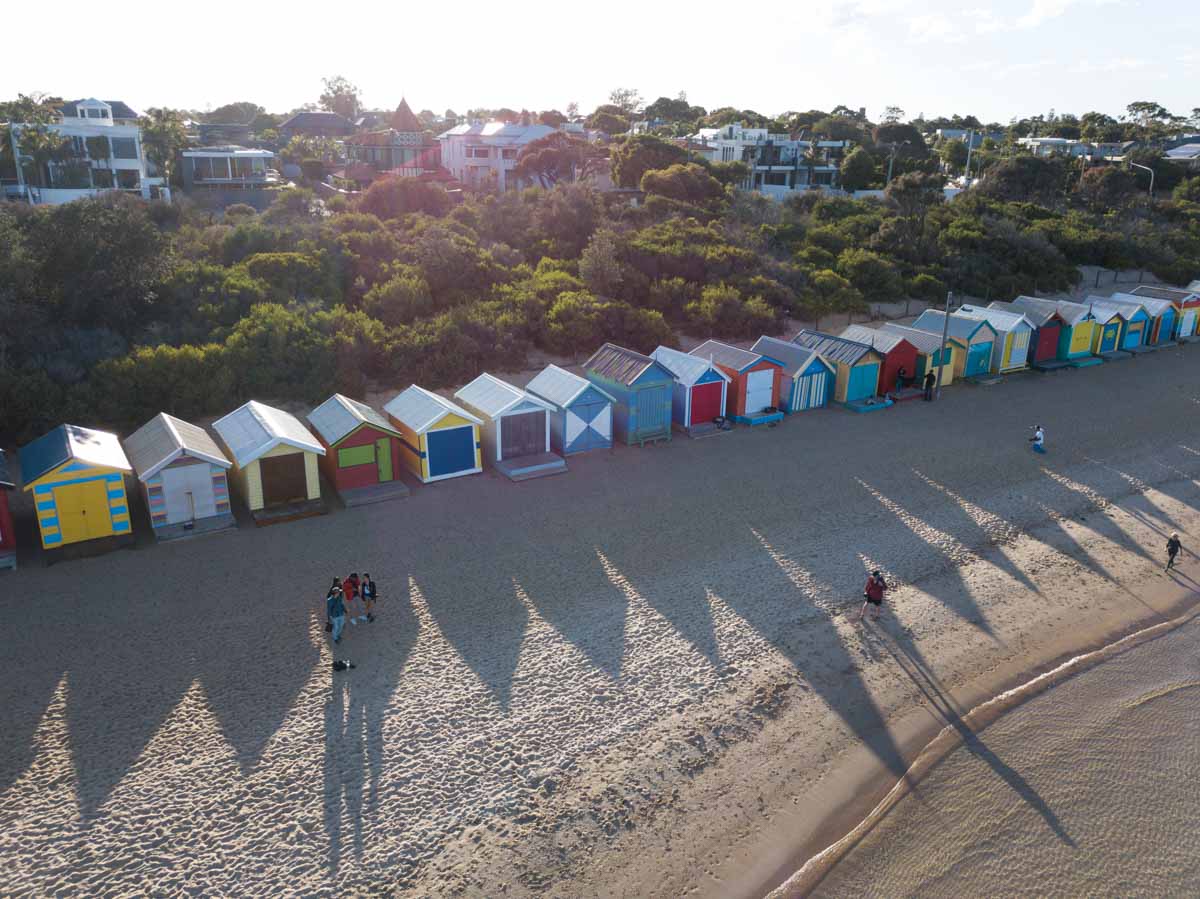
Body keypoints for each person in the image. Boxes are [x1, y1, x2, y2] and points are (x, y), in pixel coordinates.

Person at [326, 579, 346, 644]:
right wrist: (329, 618)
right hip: (334, 616)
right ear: (335, 593)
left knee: (341, 625)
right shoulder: (329, 600)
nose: (340, 593)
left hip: (341, 614)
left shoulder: (339, 598)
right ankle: (335, 638)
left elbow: (341, 604)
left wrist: (345, 610)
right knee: (336, 627)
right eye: (338, 592)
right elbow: (328, 610)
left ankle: (338, 635)